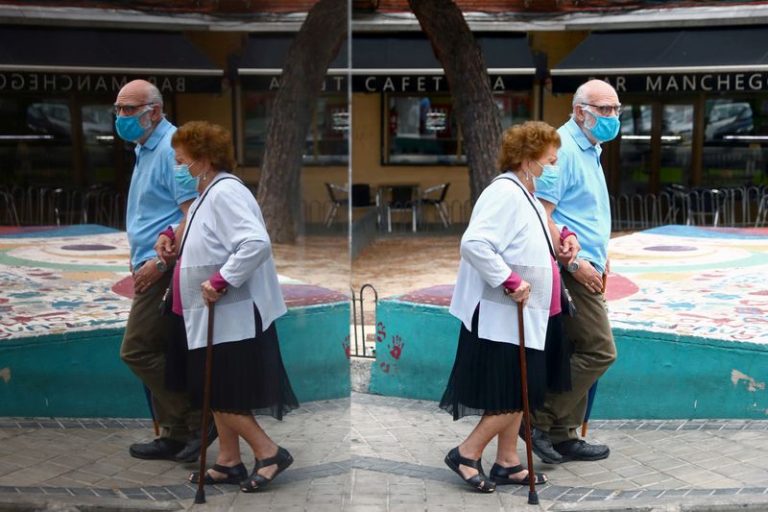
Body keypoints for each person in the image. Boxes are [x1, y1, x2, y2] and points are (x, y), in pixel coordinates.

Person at [156, 121, 298, 491]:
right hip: (205, 314)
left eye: (180, 160)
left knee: (221, 392)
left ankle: (269, 453)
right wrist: (170, 237)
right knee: (214, 390)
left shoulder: (226, 192)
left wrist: (221, 280)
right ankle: (228, 461)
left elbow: (254, 243)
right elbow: (202, 233)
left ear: (203, 160)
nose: (177, 167)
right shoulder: (206, 193)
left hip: (230, 313)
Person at [440, 121, 579, 492]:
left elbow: (542, 226)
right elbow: (475, 244)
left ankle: (507, 462)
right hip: (505, 314)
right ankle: (466, 454)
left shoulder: (526, 194)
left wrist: (565, 238)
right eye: (550, 161)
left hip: (533, 314)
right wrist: (511, 280)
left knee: (524, 390)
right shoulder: (503, 192)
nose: (554, 168)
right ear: (527, 160)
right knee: (513, 392)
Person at [528, 79, 619, 464]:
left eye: (616, 109)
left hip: (590, 264)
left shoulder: (591, 148)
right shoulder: (561, 150)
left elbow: (583, 211)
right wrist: (576, 263)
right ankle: (538, 420)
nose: (612, 117)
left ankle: (565, 435)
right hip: (571, 269)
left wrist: (601, 254)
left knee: (577, 348)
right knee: (600, 350)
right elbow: (543, 215)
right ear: (580, 110)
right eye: (604, 110)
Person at [117, 79, 207, 462]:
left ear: (153, 111)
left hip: (165, 266)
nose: (120, 117)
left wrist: (158, 262)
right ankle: (173, 433)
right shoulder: (143, 147)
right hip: (147, 262)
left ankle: (197, 419)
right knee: (160, 348)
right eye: (118, 109)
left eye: (128, 110)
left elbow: (192, 214)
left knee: (136, 349)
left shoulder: (173, 150)